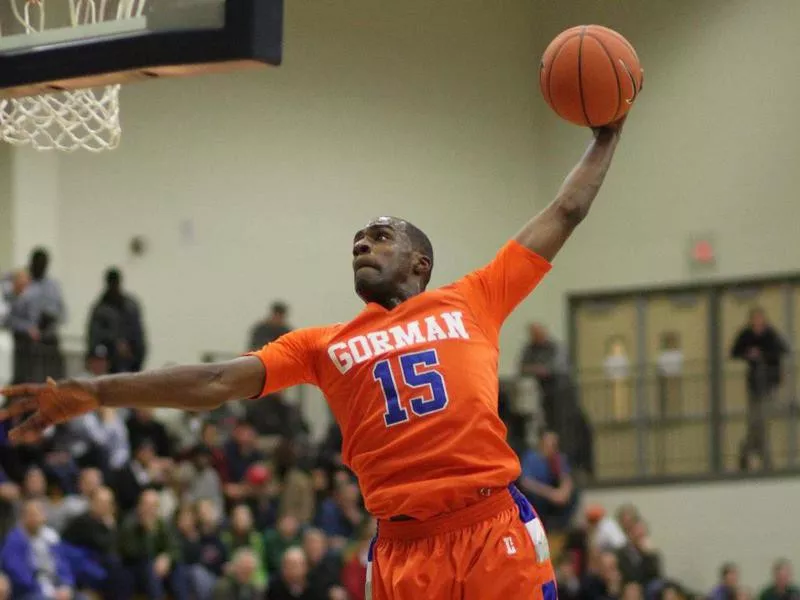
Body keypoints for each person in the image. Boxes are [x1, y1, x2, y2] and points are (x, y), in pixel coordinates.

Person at [0, 120, 627, 599]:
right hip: (405, 549)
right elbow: (215, 380)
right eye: (358, 240)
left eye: (381, 236)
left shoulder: (474, 298)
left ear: (420, 264)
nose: (362, 244)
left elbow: (565, 210)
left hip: (491, 525)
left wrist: (609, 131)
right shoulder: (322, 345)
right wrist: (97, 391)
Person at [730, 307, 789, 470]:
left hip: (769, 384)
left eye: (759, 320)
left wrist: (762, 354)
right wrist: (747, 354)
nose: (757, 323)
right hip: (754, 385)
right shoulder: (747, 335)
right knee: (755, 422)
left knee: (761, 421)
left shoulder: (771, 334)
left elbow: (783, 350)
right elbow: (734, 351)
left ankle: (750, 454)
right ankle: (756, 456)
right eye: (754, 320)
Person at [87, 268, 147, 374]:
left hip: (131, 361)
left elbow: (138, 334)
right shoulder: (100, 309)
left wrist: (134, 352)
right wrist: (115, 343)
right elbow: (95, 337)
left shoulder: (130, 307)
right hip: (109, 361)